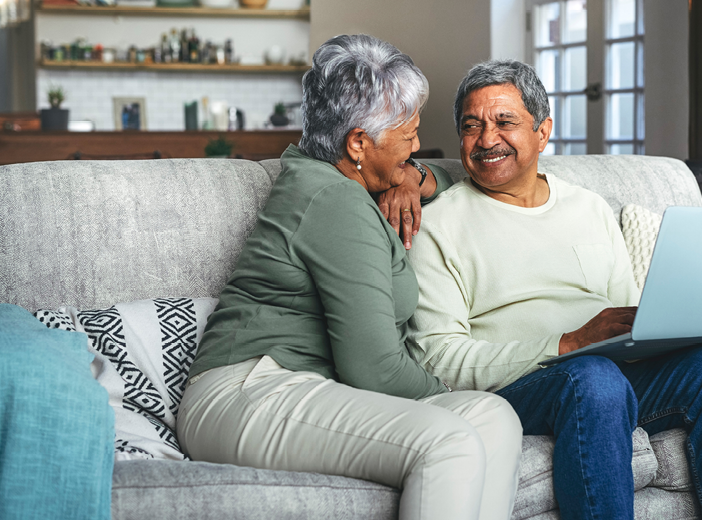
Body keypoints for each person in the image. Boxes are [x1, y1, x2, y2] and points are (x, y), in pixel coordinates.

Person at [406, 59, 702, 520]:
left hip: (606, 375)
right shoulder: (437, 224)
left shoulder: (589, 207)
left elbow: (623, 320)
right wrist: (568, 343)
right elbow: (437, 358)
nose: (486, 139)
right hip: (518, 389)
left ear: (542, 133)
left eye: (504, 122)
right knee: (594, 378)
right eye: (471, 125)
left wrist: (675, 330)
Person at [178, 36, 523, 520]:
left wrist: (411, 174)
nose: (417, 145)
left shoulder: (340, 179)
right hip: (247, 392)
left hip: (298, 387)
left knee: (492, 416)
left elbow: (449, 177)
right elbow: (374, 368)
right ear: (358, 142)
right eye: (408, 135)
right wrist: (443, 394)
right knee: (449, 441)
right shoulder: (334, 201)